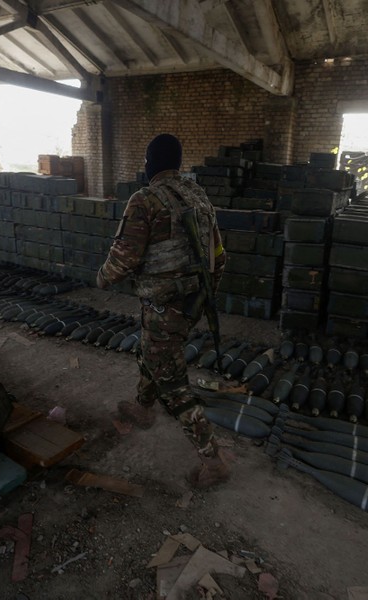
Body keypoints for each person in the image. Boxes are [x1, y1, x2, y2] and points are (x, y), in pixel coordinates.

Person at [96, 133, 229, 488]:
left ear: (149, 163)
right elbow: (219, 256)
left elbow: (124, 258)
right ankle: (143, 407)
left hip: (163, 305)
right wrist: (203, 298)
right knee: (151, 353)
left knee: (172, 384)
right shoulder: (198, 197)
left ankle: (213, 461)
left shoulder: (145, 200)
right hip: (190, 304)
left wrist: (102, 278)